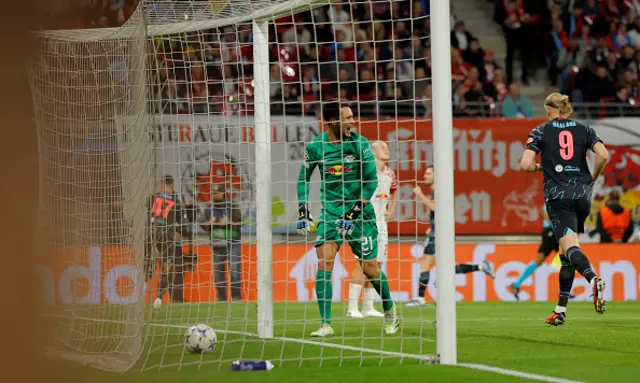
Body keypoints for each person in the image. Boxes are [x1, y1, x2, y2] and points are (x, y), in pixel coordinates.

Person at [297, 100, 399, 337]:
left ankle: (389, 308)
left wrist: (353, 213)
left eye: (353, 117)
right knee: (325, 261)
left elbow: (371, 181)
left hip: (360, 215)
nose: (352, 122)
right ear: (332, 121)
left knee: (370, 268)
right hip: (331, 213)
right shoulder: (316, 147)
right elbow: (304, 178)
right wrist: (303, 208)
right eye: (348, 118)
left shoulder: (360, 144)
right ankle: (325, 324)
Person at [520, 92, 609, 326]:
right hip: (582, 194)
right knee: (565, 253)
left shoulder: (541, 130)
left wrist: (544, 168)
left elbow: (525, 164)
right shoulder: (585, 129)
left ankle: (593, 279)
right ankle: (560, 310)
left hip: (559, 196)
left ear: (550, 109)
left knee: (570, 247)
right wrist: (593, 176)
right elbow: (603, 155)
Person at [405, 165, 496, 308]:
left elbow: (436, 208)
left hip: (439, 235)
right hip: (440, 233)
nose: (424, 176)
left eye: (428, 173)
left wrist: (420, 194)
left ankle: (420, 299)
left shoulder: (439, 192)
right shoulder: (438, 192)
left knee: (426, 264)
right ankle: (480, 266)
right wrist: (432, 227)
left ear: (436, 175)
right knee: (446, 268)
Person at [347, 140, 398, 319]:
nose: (387, 149)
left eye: (387, 147)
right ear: (373, 151)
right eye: (382, 147)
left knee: (377, 265)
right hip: (365, 223)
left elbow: (394, 191)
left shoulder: (390, 173)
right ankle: (352, 307)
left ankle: (368, 306)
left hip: (381, 225)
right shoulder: (365, 171)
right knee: (362, 263)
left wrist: (390, 209)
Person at [148, 175, 186, 309]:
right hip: (167, 237)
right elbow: (182, 222)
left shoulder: (153, 198)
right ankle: (158, 297)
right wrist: (181, 232)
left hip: (152, 235)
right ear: (172, 186)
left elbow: (148, 216)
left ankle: (148, 271)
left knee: (152, 264)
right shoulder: (176, 200)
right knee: (166, 268)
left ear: (161, 185)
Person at [509, 205, 560, 300]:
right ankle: (516, 284)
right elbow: (547, 215)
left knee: (564, 259)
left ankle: (516, 284)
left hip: (554, 232)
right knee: (565, 258)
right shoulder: (552, 199)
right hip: (551, 233)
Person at [204, 183, 243, 302]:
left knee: (235, 271)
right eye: (214, 193)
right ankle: (221, 297)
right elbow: (202, 223)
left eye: (217, 193)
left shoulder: (231, 206)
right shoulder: (208, 208)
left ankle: (236, 296)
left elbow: (239, 222)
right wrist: (211, 223)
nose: (215, 195)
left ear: (223, 193)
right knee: (218, 273)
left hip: (232, 242)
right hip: (217, 244)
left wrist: (227, 222)